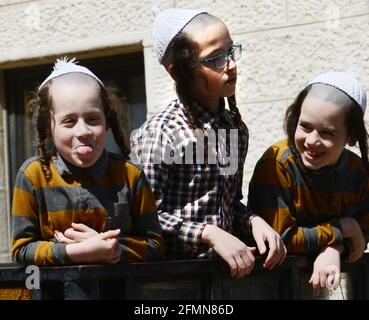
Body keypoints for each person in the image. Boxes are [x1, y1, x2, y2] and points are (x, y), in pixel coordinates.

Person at [130, 8, 286, 278]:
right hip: (171, 282)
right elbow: (144, 219)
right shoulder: (162, 133)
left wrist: (254, 221)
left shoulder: (234, 129)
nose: (231, 64)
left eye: (231, 50)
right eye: (215, 59)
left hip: (225, 281)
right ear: (178, 72)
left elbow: (228, 204)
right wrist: (207, 233)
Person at [11, 58, 164, 266]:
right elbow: (22, 249)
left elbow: (155, 245)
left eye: (92, 119)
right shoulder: (33, 176)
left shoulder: (130, 175)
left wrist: (112, 248)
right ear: (48, 127)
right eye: (69, 121)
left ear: (107, 121)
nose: (82, 131)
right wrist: (76, 251)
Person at [247, 71, 369, 292]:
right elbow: (280, 240)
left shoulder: (357, 173)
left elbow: (362, 235)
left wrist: (334, 248)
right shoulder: (276, 164)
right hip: (273, 286)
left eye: (327, 133)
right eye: (305, 127)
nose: (312, 141)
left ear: (350, 136)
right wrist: (343, 227)